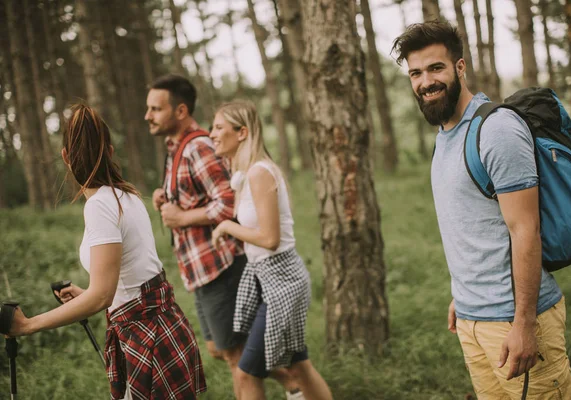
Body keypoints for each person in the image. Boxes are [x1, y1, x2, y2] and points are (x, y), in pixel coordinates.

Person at [391, 21, 571, 399]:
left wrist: (523, 324)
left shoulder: (495, 129)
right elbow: (473, 222)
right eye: (416, 73)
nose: (426, 82)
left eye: (436, 68)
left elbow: (525, 229)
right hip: (474, 320)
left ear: (459, 67)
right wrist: (464, 295)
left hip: (515, 321)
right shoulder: (446, 134)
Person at [8, 104, 206, 400]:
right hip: (165, 328)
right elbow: (130, 280)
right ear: (111, 151)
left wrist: (27, 325)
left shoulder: (100, 205)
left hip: (145, 338)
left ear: (65, 157)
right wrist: (87, 293)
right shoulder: (128, 195)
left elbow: (104, 295)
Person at [146, 75, 302, 400]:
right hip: (200, 270)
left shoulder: (198, 146)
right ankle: (293, 380)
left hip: (221, 265)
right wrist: (166, 196)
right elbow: (198, 194)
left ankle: (295, 382)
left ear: (180, 110)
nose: (148, 116)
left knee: (236, 360)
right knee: (220, 349)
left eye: (155, 109)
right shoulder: (177, 150)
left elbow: (227, 201)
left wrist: (182, 217)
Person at [209, 100, 333, 400]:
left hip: (284, 281)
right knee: (299, 365)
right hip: (270, 282)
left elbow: (270, 239)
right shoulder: (244, 176)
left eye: (217, 127)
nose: (211, 134)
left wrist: (227, 227)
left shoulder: (259, 172)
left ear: (242, 133)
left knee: (246, 372)